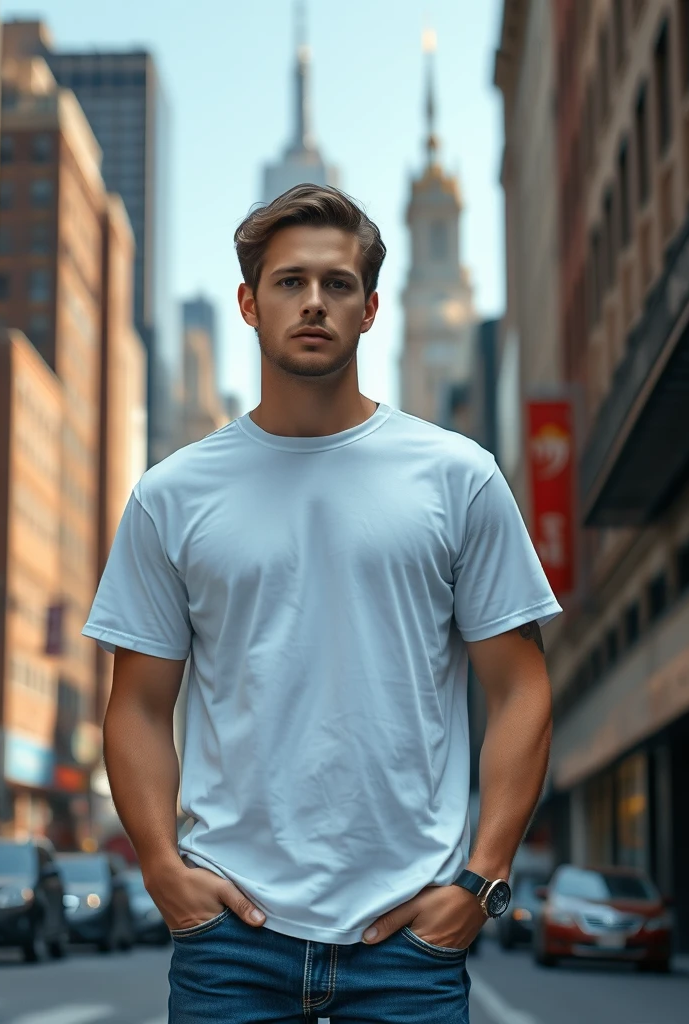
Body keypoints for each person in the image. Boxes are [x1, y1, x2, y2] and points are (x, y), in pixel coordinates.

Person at [84, 184, 561, 1023]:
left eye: (338, 284)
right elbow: (137, 705)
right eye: (289, 281)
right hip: (230, 942)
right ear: (248, 301)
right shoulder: (172, 495)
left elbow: (521, 688)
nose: (314, 302)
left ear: (371, 308)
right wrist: (163, 869)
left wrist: (479, 883)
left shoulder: (460, 477)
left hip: (409, 942)